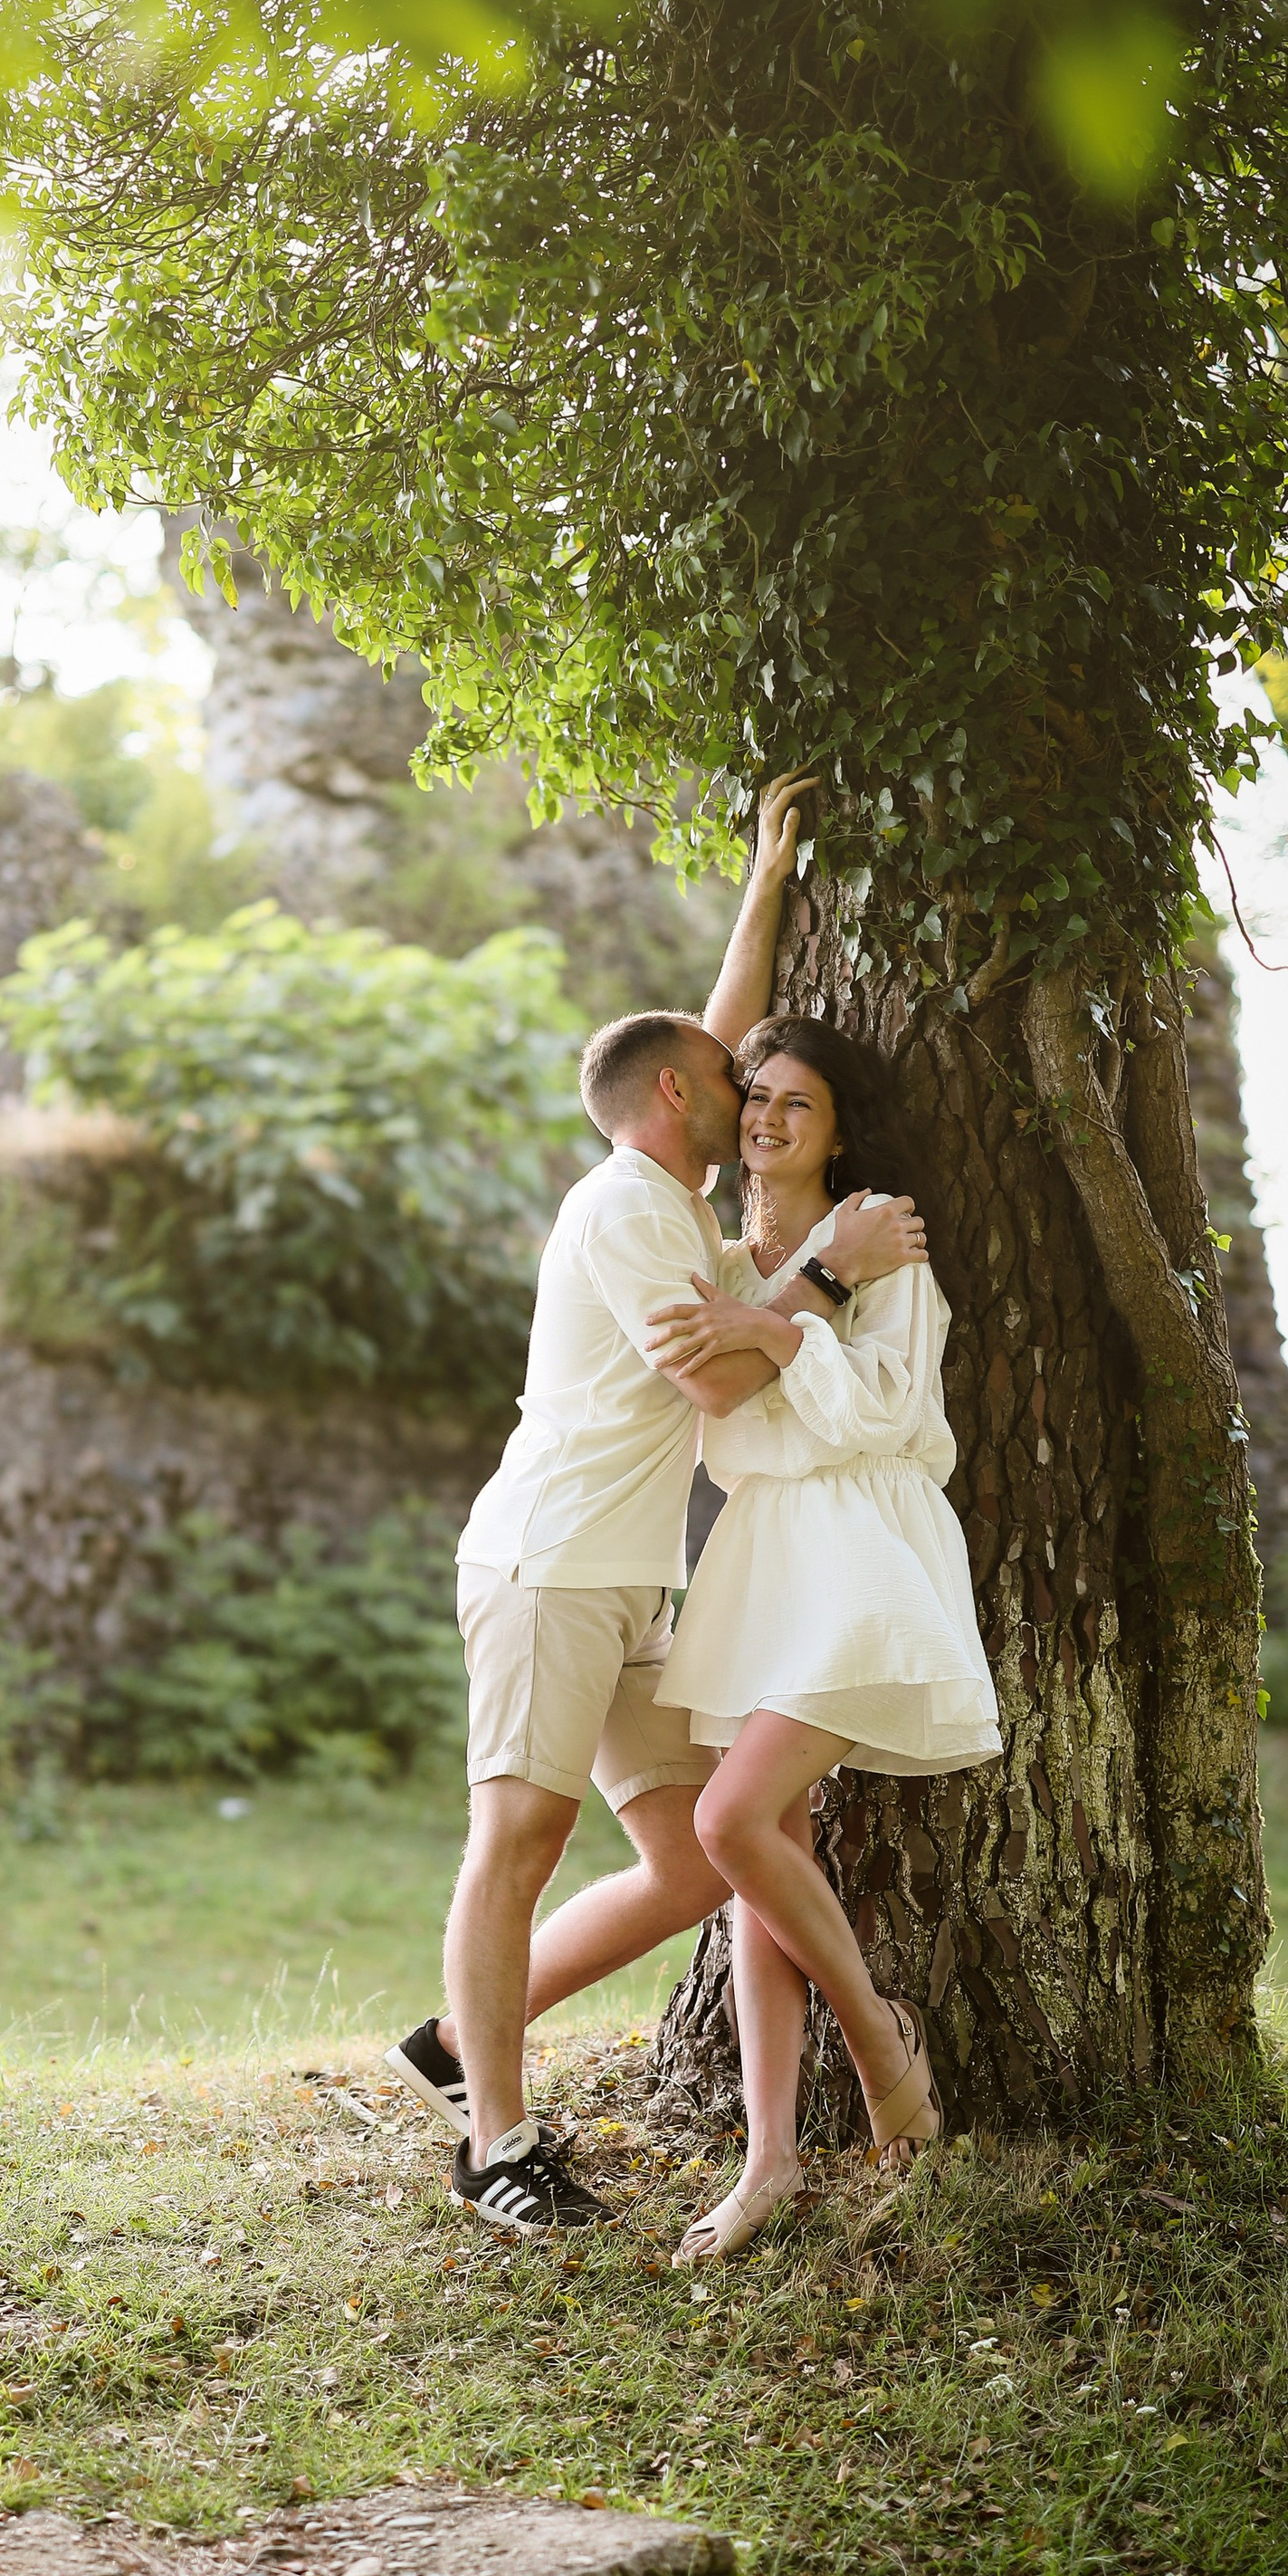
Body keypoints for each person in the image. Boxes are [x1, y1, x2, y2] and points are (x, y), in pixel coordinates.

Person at [381, 774, 928, 2235]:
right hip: (553, 1568)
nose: (756, 1097)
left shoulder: (674, 1195)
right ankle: (495, 2141)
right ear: (680, 1100)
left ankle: (449, 2038)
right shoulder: (628, 1210)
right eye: (729, 1083)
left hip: (636, 1587)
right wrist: (836, 1268)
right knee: (519, 1842)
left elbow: (713, 1020)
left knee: (695, 1862)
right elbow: (719, 1388)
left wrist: (767, 874)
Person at [642, 1014, 1001, 2265]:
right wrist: (778, 1310)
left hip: (859, 1550)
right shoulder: (725, 1259)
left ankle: (879, 2045)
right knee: (758, 1871)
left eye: (799, 1103)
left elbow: (895, 1414)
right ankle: (771, 2159)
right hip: (755, 1559)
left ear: (842, 1128)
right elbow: (715, 1403)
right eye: (757, 1097)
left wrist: (786, 1335)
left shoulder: (886, 1237)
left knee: (726, 1823)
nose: (767, 1119)